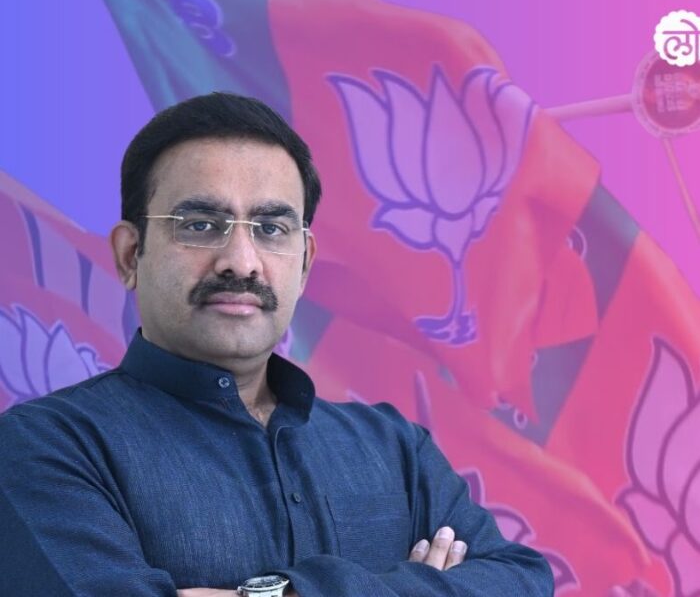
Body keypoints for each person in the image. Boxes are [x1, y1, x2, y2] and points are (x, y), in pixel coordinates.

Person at [0, 92, 553, 596]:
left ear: (305, 262)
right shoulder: (46, 448)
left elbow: (522, 581)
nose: (241, 262)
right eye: (200, 225)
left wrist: (280, 594)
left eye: (271, 229)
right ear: (129, 255)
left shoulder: (393, 448)